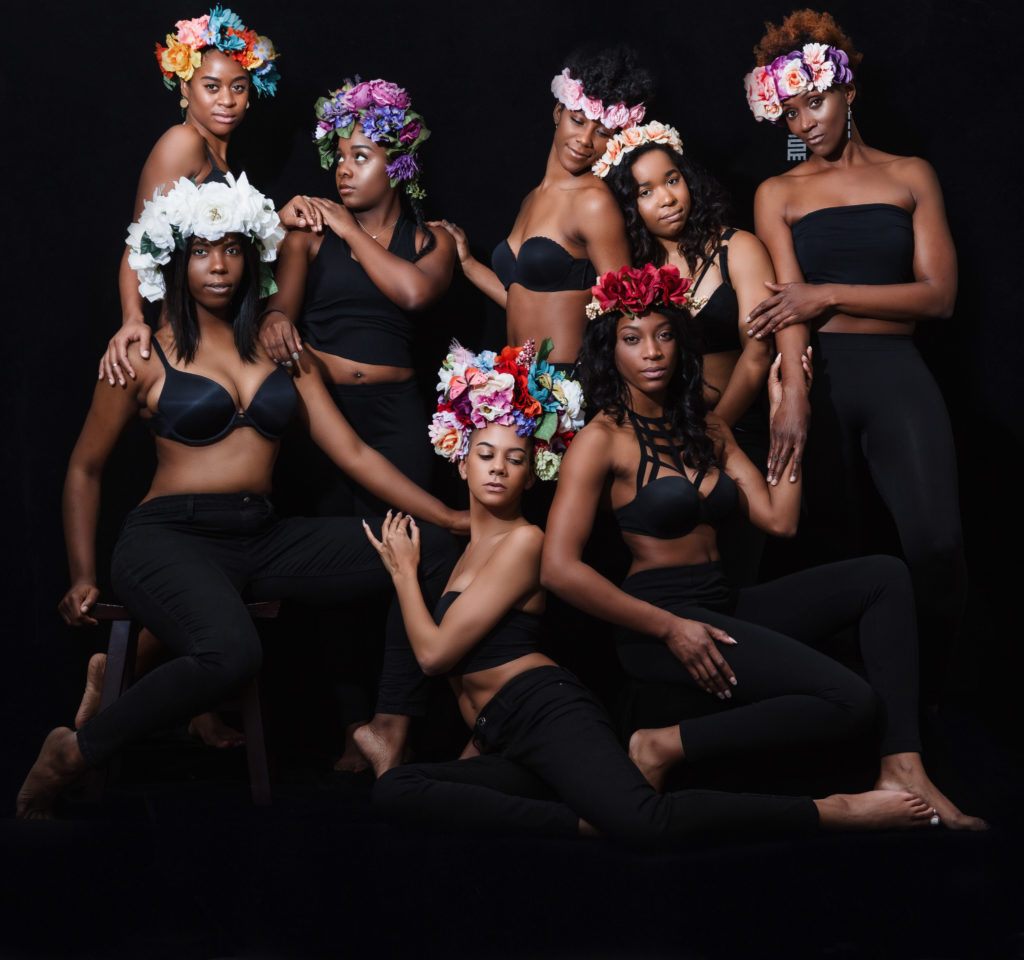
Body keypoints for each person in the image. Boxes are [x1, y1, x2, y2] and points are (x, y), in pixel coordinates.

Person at [366, 340, 941, 841]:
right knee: (396, 790)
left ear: (531, 467)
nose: (498, 469)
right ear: (461, 460)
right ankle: (587, 824)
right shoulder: (488, 538)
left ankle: (839, 807)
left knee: (649, 820)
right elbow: (465, 658)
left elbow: (436, 655)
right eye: (486, 456)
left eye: (514, 458)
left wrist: (789, 413)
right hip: (514, 725)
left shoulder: (524, 540)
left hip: (554, 702)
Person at [16, 176, 464, 819]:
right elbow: (85, 468)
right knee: (231, 653)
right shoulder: (143, 354)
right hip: (167, 538)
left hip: (261, 535)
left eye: (231, 249)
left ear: (253, 256)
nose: (219, 266)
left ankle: (390, 723)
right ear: (177, 262)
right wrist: (82, 573)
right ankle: (74, 750)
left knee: (432, 551)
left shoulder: (280, 348)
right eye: (201, 252)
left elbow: (357, 456)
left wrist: (446, 512)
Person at [540, 264, 984, 831]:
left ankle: (903, 764)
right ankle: (661, 745)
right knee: (851, 700)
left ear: (681, 340)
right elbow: (557, 568)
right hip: (656, 619)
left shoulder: (709, 430)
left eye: (664, 334)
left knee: (884, 575)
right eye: (632, 339)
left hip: (720, 601)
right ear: (611, 349)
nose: (651, 352)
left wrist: (782, 421)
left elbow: (779, 521)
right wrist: (669, 629)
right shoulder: (601, 440)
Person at [743, 11, 965, 697]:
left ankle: (945, 702)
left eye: (815, 102)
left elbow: (938, 298)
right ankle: (852, 707)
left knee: (935, 545)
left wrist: (825, 293)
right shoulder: (777, 192)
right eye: (789, 112)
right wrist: (795, 401)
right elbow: (785, 309)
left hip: (897, 375)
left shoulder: (910, 176)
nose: (804, 122)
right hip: (822, 376)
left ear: (848, 91)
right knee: (829, 553)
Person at [259, 77, 455, 514]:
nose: (343, 170)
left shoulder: (432, 240)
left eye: (360, 157)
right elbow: (278, 313)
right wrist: (274, 321)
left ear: (397, 165)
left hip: (395, 417)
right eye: (341, 157)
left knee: (410, 544)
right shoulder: (308, 238)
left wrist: (349, 228)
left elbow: (414, 293)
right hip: (319, 411)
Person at [100, 6, 320, 388]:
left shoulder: (219, 157)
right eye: (212, 86)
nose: (227, 100)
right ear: (185, 88)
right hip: (186, 341)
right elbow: (140, 243)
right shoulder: (182, 142)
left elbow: (222, 234)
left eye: (238, 86)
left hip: (228, 335)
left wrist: (277, 220)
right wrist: (133, 318)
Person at [600, 121, 778, 583]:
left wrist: (716, 429)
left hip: (738, 429)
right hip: (666, 441)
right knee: (688, 575)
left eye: (672, 180)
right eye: (645, 191)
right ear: (630, 206)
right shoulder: (638, 273)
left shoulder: (737, 247)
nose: (666, 198)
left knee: (742, 573)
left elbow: (758, 354)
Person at [433, 48, 654, 368]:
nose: (584, 140)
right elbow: (525, 299)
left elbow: (625, 309)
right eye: (577, 121)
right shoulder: (532, 199)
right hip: (518, 380)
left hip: (569, 383)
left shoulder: (594, 202)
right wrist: (467, 264)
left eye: (602, 132)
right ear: (557, 113)